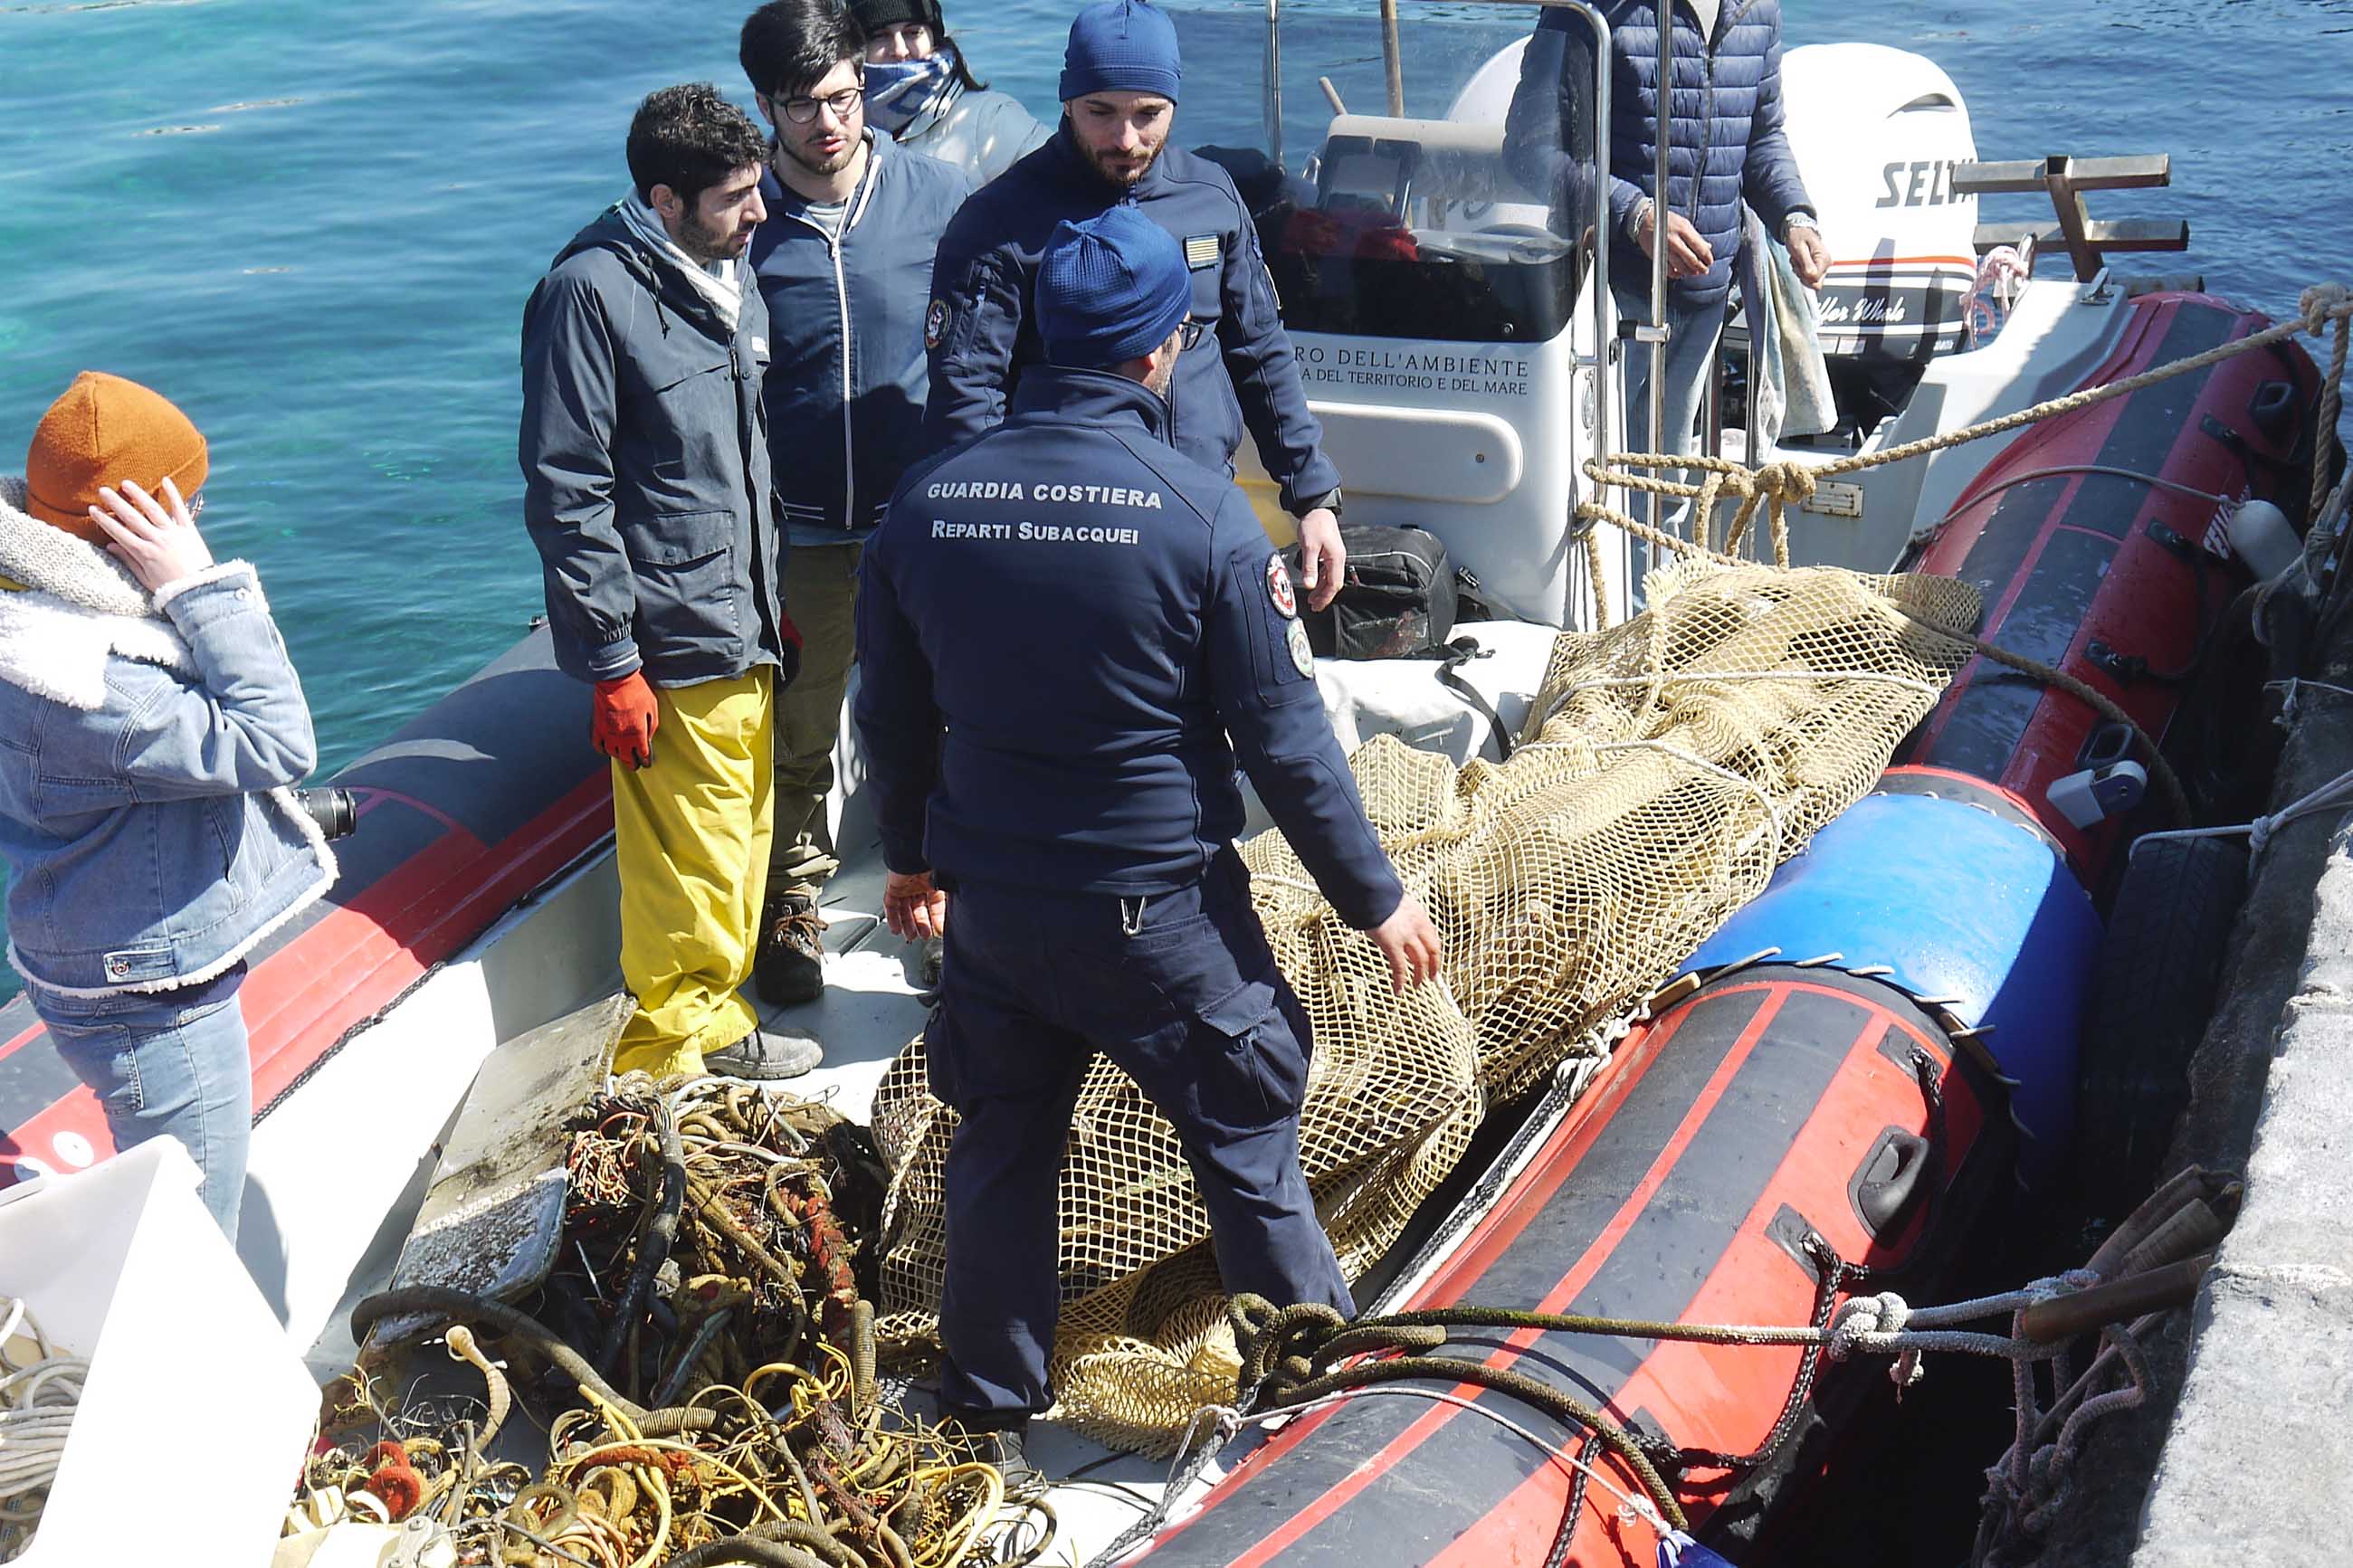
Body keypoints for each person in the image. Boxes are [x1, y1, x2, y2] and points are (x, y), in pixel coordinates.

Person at [857, 208, 1443, 1463]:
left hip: (995, 913)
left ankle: (986, 1406)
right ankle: (1303, 1388)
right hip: (1152, 921)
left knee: (1004, 1147)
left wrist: (907, 856)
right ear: (1162, 352)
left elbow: (890, 713)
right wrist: (1373, 896)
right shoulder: (1202, 516)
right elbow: (1285, 740)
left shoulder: (926, 505)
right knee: (1244, 1124)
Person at [0, 373, 336, 1240]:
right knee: (192, 1235)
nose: (200, 516)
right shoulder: (98, 688)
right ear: (136, 524)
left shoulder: (24, 607)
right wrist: (202, 586)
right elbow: (276, 740)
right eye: (187, 503)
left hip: (77, 946)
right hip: (148, 991)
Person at [520, 83, 811, 1082]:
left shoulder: (722, 276)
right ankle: (684, 1043)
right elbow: (569, 489)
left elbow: (738, 460)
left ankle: (712, 1019)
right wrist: (612, 661)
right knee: (692, 856)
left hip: (739, 619)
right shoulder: (590, 296)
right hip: (672, 637)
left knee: (735, 839)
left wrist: (771, 604)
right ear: (665, 198)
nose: (760, 212)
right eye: (737, 197)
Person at [922, 0, 1349, 611]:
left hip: (1199, 517)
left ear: (1175, 104)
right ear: (1066, 100)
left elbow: (1258, 349)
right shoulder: (997, 223)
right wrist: (998, 539)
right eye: (1101, 112)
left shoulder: (1211, 197)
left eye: (1148, 114)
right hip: (1068, 537)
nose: (1125, 139)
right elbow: (967, 398)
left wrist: (1312, 498)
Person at [738, 0, 975, 1007]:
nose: (828, 122)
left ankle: (956, 904)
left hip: (921, 531)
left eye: (842, 96)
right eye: (802, 105)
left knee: (949, 719)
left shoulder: (940, 199)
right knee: (798, 729)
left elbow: (986, 348)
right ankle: (791, 903)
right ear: (765, 106)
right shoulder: (739, 222)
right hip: (800, 537)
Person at [1503, 0, 1828, 527]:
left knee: (1665, 500)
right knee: (1585, 495)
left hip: (1703, 306)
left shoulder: (1758, 10)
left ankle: (1648, 606)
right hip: (1606, 303)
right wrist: (1637, 216)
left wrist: (1795, 218)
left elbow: (1762, 136)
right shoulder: (1592, 11)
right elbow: (1528, 151)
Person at [849, 0, 1050, 184]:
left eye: (913, 32)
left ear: (934, 39)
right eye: (880, 36)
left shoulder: (990, 118)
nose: (900, 50)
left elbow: (1061, 185)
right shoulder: (840, 129)